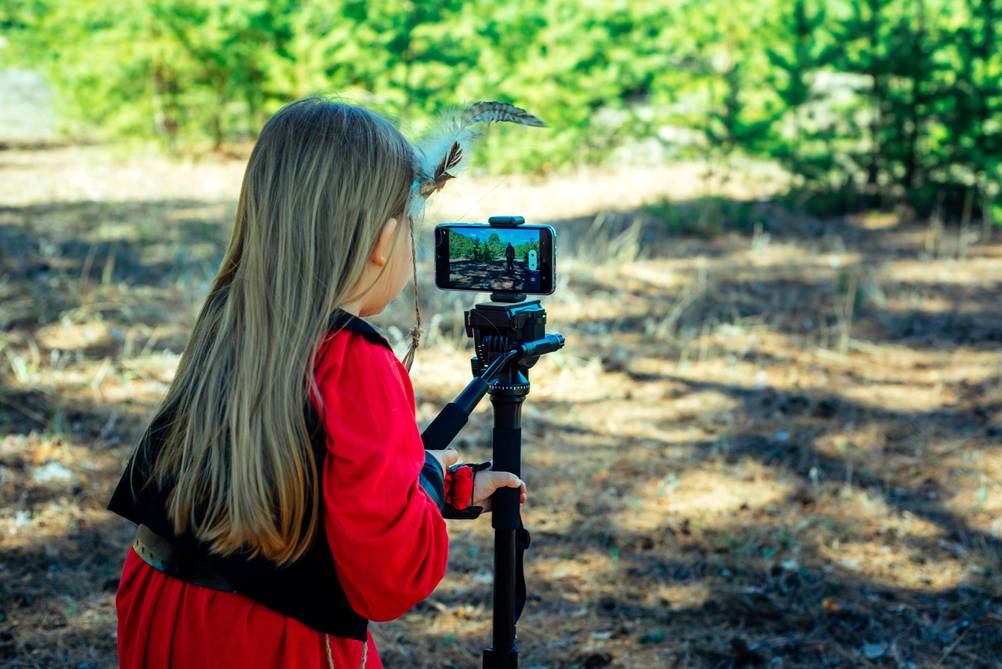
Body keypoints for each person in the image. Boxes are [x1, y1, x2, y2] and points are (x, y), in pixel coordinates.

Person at [107, 97, 528, 669]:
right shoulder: (353, 359)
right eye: (411, 228)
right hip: (274, 642)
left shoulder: (233, 320)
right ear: (384, 242)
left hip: (166, 615)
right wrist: (424, 481)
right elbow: (389, 578)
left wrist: (433, 481)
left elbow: (297, 476)